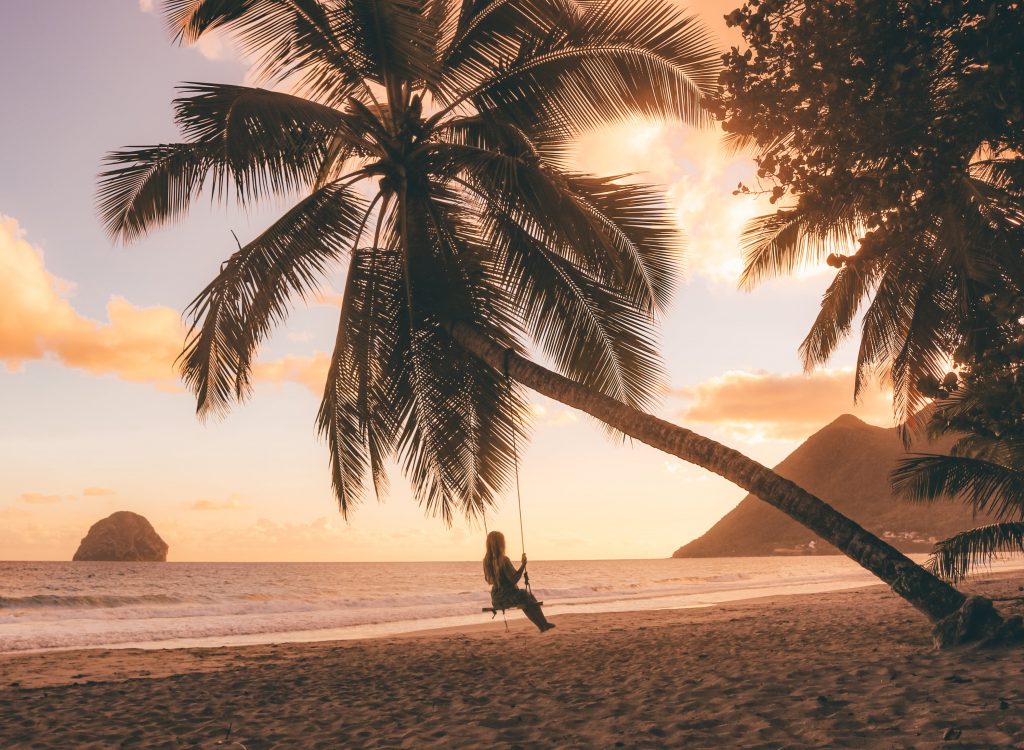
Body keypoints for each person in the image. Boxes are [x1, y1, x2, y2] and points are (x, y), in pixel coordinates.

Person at [482, 530, 555, 632]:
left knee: (527, 598)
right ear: (501, 544)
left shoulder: (486, 561)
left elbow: (488, 580)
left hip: (496, 599)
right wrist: (523, 564)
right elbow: (514, 579)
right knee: (527, 597)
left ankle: (543, 625)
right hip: (508, 596)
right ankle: (543, 624)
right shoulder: (504, 560)